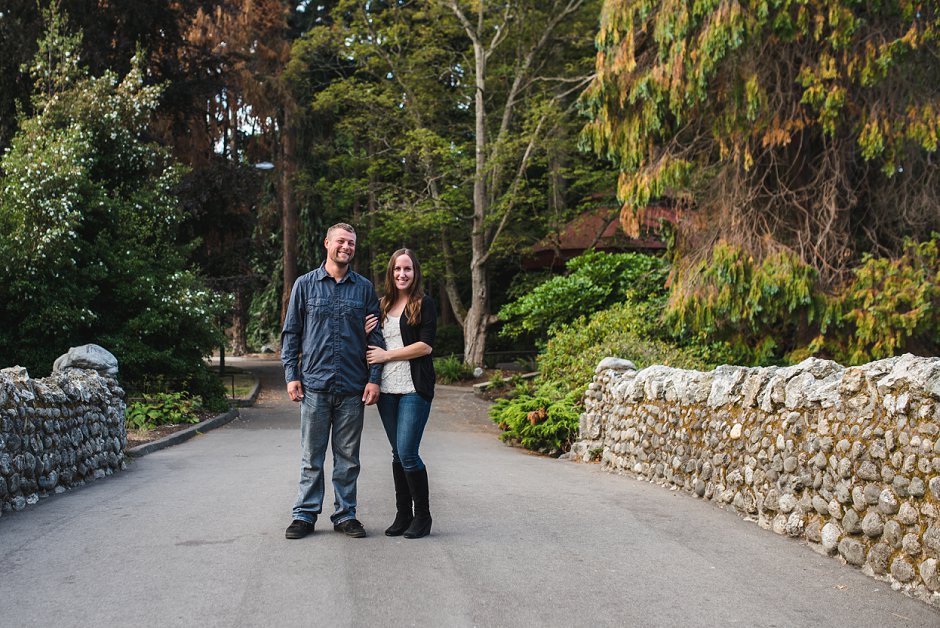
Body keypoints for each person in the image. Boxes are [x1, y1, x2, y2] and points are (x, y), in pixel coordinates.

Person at [281, 223, 385, 540]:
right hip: (314, 386)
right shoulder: (304, 285)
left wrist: (374, 379)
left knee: (348, 459)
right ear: (327, 243)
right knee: (311, 458)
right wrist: (291, 375)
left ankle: (345, 515)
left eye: (351, 243)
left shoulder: (364, 288)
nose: (346, 247)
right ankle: (304, 515)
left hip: (353, 388)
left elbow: (375, 336)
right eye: (341, 241)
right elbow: (291, 333)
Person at [365, 248, 437, 539]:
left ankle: (422, 516)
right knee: (397, 454)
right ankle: (403, 514)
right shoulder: (381, 306)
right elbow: (372, 348)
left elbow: (425, 346)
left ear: (414, 272)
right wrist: (363, 330)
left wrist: (387, 356)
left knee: (408, 453)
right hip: (387, 391)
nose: (402, 274)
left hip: (413, 389)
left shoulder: (424, 304)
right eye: (397, 269)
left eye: (407, 269)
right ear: (390, 273)